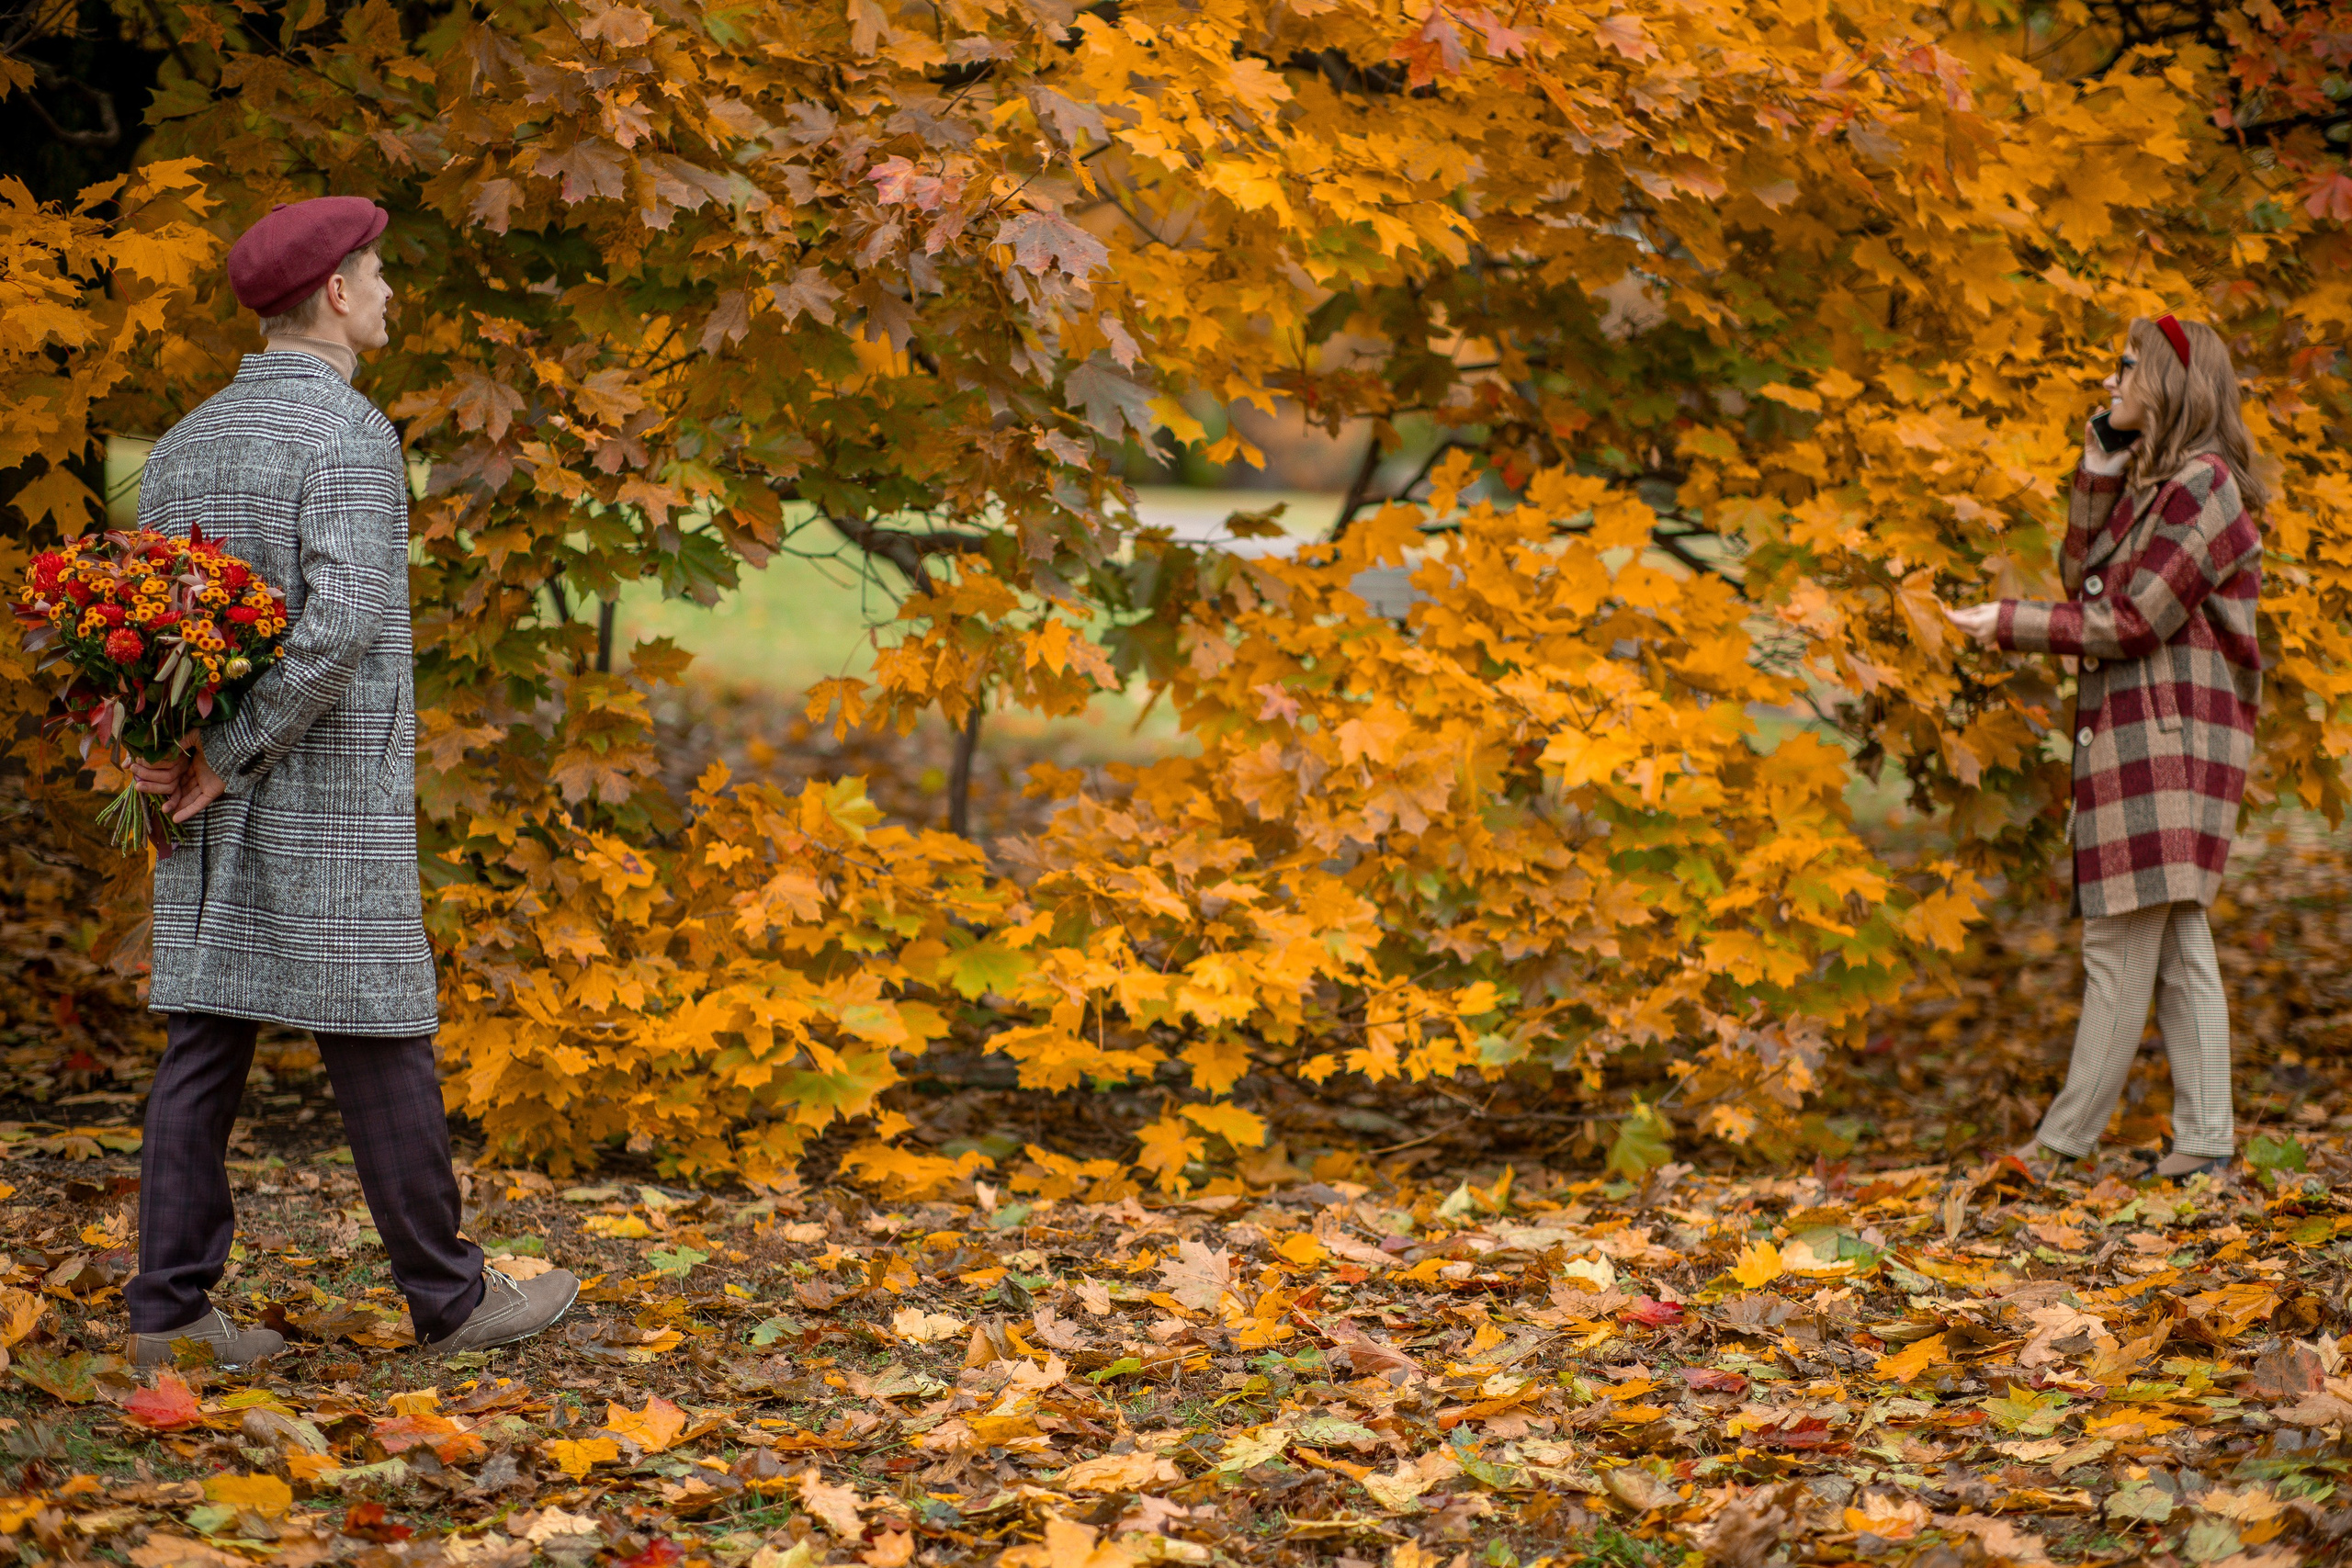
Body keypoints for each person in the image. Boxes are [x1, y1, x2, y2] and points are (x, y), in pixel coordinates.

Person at [123, 197, 578, 1366]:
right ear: (334, 292)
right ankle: (454, 1300)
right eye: (376, 277)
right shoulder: (348, 436)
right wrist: (229, 753)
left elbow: (139, 630)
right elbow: (344, 628)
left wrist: (167, 746)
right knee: (379, 1033)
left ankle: (168, 1320)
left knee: (205, 1041)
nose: (386, 295)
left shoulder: (186, 441)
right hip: (319, 783)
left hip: (205, 791)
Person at [1945, 314, 2265, 1180]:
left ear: (2169, 381)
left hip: (2170, 744)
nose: (2110, 379)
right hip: (2146, 740)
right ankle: (2205, 1141)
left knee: (2119, 947)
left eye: (2127, 367)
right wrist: (2100, 465)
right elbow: (2084, 579)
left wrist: (2005, 626)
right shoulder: (2160, 485)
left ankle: (2058, 1147)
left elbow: (2131, 619)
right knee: (2176, 943)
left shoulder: (2205, 485)